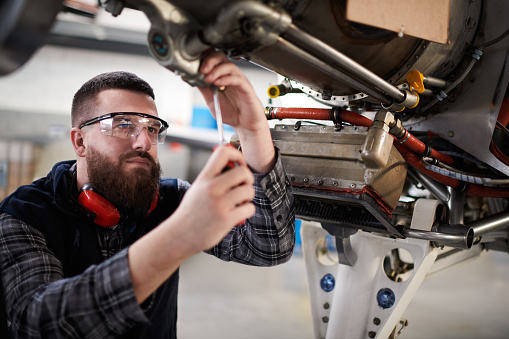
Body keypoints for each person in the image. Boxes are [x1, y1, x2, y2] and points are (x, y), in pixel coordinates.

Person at [0, 51, 295, 338]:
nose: (143, 141)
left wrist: (252, 130)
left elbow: (268, 248)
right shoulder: (22, 216)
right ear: (79, 142)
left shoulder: (171, 199)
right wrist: (178, 237)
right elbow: (39, 325)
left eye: (152, 128)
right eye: (123, 124)